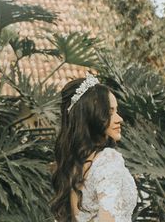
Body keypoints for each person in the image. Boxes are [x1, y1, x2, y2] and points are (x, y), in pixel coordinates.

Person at [50, 73, 137, 222]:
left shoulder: (75, 163)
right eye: (110, 112)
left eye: (116, 111)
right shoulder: (108, 160)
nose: (119, 119)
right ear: (92, 115)